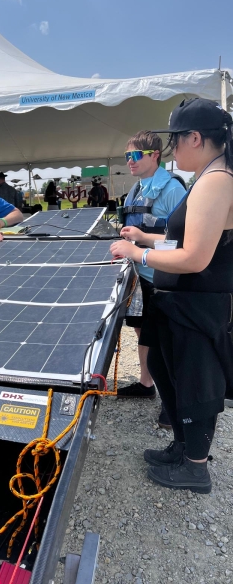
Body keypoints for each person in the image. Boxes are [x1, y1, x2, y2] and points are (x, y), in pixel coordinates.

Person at [110, 98, 233, 493]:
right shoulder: (207, 176)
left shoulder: (217, 180)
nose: (172, 148)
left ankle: (195, 467)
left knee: (196, 382)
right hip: (181, 302)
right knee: (167, 370)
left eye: (175, 139)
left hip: (199, 305)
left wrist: (138, 253)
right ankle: (181, 447)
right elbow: (182, 241)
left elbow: (195, 257)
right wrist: (146, 238)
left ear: (195, 138)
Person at [116, 131, 186, 430]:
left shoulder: (172, 190)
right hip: (139, 277)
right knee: (143, 331)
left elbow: (184, 244)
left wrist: (143, 240)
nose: (129, 162)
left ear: (155, 155)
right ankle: (147, 384)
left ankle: (177, 404)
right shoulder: (137, 188)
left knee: (167, 342)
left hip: (164, 280)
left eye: (135, 155)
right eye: (127, 156)